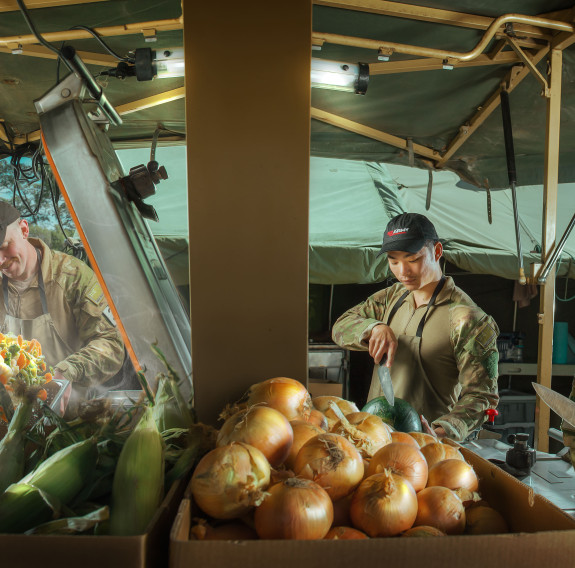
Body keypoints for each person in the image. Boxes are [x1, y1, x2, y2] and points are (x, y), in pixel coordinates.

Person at [332, 212, 500, 441]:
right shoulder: (393, 297)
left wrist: (441, 433)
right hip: (374, 441)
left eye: (413, 259)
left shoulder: (468, 319)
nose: (403, 271)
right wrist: (374, 328)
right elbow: (341, 327)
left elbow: (482, 396)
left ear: (437, 252)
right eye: (393, 261)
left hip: (426, 450)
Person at [0, 201, 125, 415]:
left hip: (71, 419)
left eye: (3, 247)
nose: (0, 260)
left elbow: (112, 345)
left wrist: (67, 372)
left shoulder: (72, 277)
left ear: (24, 229)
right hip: (11, 419)